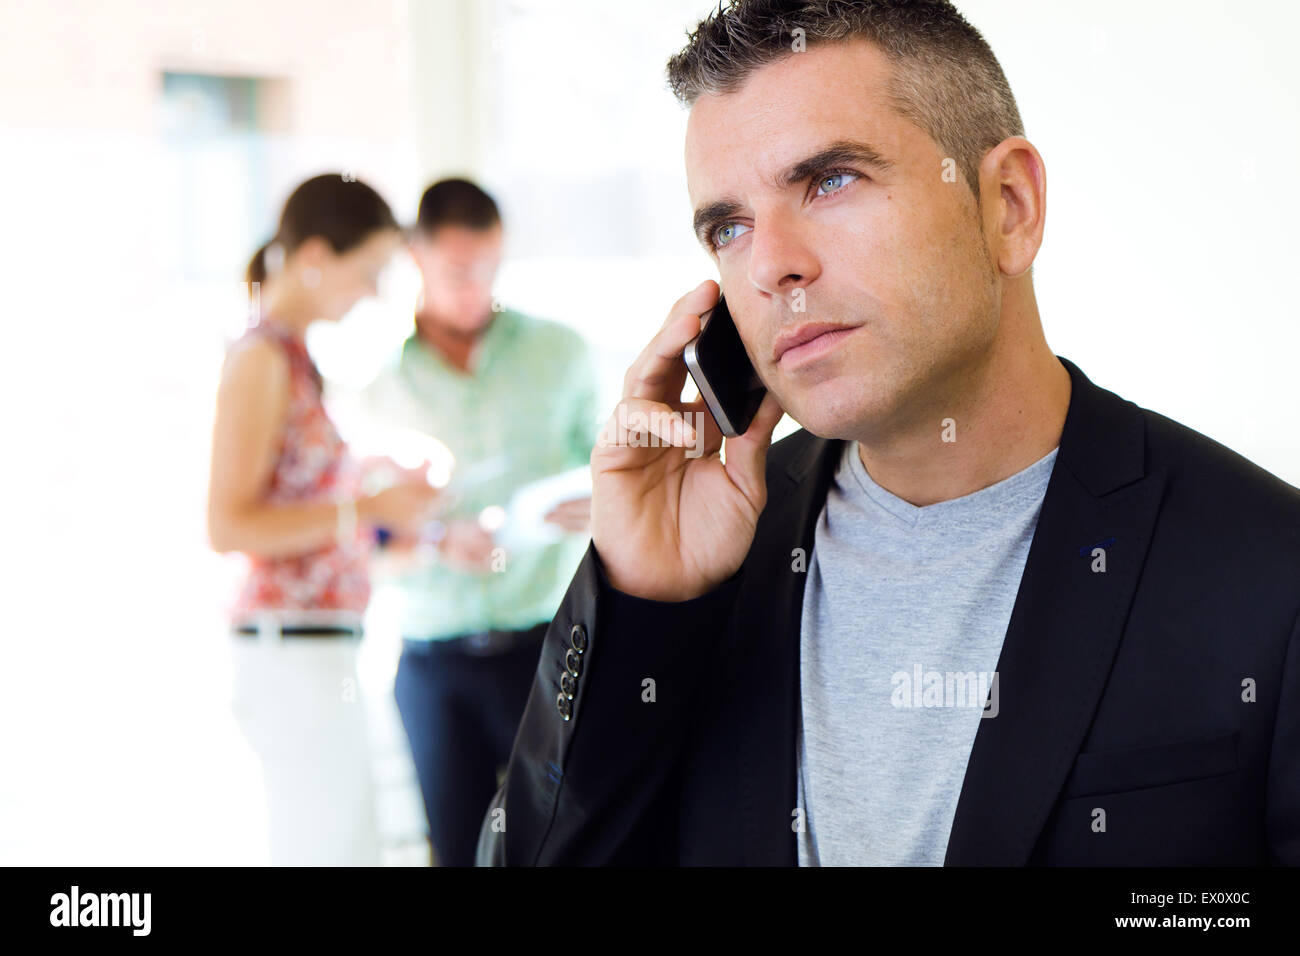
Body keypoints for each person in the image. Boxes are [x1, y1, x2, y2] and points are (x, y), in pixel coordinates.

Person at [478, 0, 1300, 866]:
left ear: (1009, 207)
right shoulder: (705, 558)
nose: (770, 267)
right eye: (729, 226)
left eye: (830, 180)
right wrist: (640, 605)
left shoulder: (1267, 572)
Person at [360, 178, 599, 866]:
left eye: (490, 266)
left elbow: (615, 472)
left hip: (548, 648)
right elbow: (364, 547)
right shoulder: (376, 384)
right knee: (459, 848)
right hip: (434, 664)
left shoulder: (562, 354)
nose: (476, 286)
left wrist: (594, 505)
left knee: (566, 841)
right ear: (416, 259)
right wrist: (435, 542)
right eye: (458, 270)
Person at [207, 173, 442, 865]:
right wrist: (366, 508)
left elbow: (303, 520)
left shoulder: (294, 358)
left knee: (345, 847)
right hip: (292, 654)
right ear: (315, 256)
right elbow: (228, 525)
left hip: (317, 648)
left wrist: (397, 529)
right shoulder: (260, 358)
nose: (370, 292)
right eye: (366, 272)